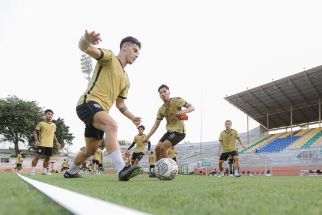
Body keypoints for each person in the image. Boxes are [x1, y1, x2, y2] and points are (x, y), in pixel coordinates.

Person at [64, 30, 142, 181]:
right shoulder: (110, 57)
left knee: (91, 150)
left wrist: (132, 117)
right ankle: (122, 170)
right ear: (125, 46)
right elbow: (85, 48)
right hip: (88, 103)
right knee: (112, 125)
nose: (136, 55)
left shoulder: (126, 79)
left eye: (138, 54)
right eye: (135, 50)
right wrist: (85, 39)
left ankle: (71, 171)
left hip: (100, 113)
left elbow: (120, 104)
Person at [143, 84, 195, 161]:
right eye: (161, 93)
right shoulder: (161, 109)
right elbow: (156, 125)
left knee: (163, 147)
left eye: (164, 91)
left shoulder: (176, 100)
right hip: (169, 131)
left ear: (169, 92)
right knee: (157, 148)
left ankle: (166, 169)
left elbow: (192, 107)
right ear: (159, 95)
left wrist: (183, 111)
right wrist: (147, 137)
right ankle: (158, 169)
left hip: (179, 132)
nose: (163, 94)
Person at [30, 109, 60, 176]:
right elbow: (35, 132)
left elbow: (54, 135)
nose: (50, 115)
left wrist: (57, 142)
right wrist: (37, 140)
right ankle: (32, 171)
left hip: (50, 145)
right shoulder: (41, 123)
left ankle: (44, 171)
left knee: (47, 159)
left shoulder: (54, 125)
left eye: (51, 114)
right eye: (48, 114)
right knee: (37, 157)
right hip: (42, 144)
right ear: (45, 115)